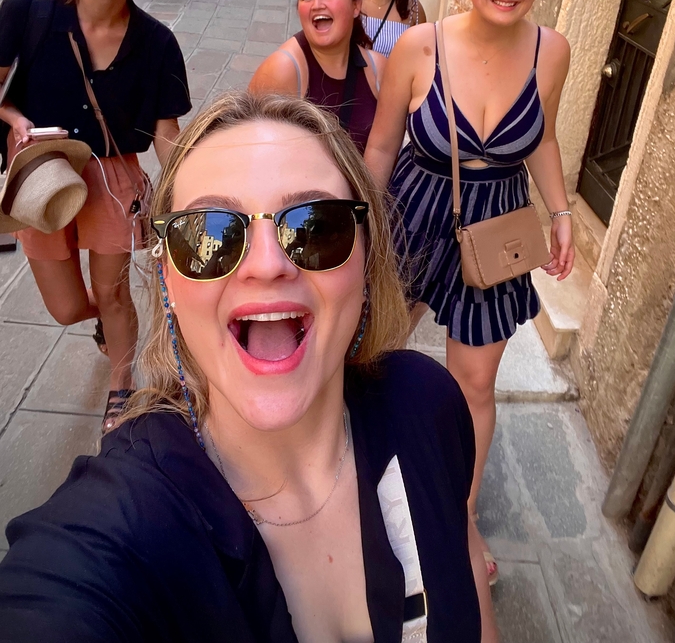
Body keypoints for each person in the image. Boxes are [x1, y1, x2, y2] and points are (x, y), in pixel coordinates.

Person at [0, 91, 483, 643]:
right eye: (210, 235)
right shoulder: (123, 519)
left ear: (367, 259)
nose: (267, 265)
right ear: (168, 281)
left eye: (315, 226)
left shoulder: (428, 405)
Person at [365, 0, 575, 638]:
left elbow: (542, 137)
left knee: (475, 384)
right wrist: (366, 231)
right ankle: (361, 475)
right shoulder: (419, 46)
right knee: (372, 353)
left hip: (495, 229)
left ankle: (459, 513)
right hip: (413, 213)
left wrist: (562, 210)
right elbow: (383, 144)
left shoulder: (551, 51)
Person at [0, 0, 192, 435]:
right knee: (66, 308)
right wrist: (13, 117)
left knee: (112, 291)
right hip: (44, 178)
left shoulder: (158, 43)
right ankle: (111, 324)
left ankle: (121, 384)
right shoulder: (27, 13)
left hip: (113, 179)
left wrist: (190, 196)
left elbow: (166, 134)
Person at [249, 0, 385, 153]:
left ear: (356, 5)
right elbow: (250, 150)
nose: (317, 5)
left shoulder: (377, 69)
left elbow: (384, 150)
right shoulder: (282, 70)